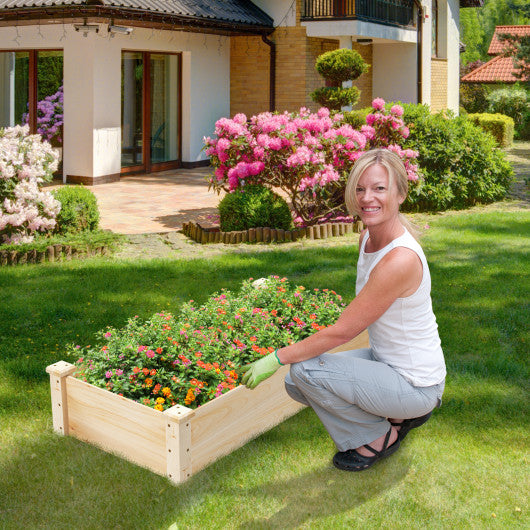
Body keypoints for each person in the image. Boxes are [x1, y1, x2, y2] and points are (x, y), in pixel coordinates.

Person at [241, 148, 446, 472]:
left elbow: (344, 331)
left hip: (417, 384)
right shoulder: (367, 238)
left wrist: (277, 356)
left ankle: (378, 437)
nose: (368, 198)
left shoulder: (400, 260)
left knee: (304, 371)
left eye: (379, 188)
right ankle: (396, 415)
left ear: (401, 193)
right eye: (361, 189)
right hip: (386, 362)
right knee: (297, 383)